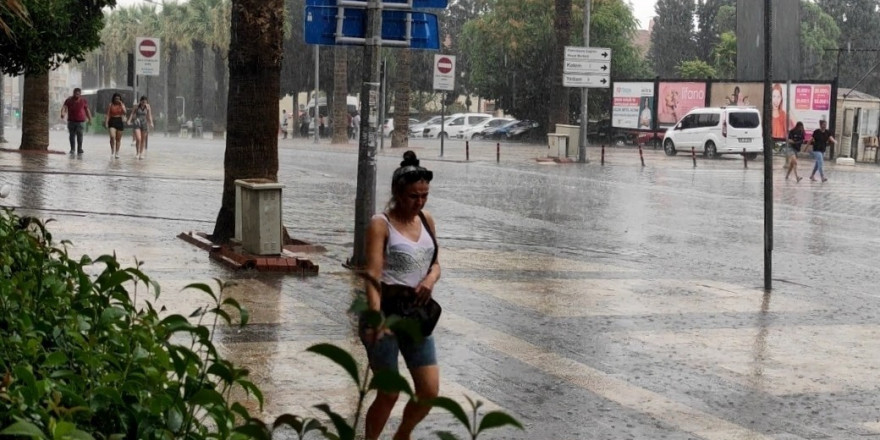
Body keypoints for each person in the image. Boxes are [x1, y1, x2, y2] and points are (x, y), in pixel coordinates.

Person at [362, 150, 441, 440]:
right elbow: (372, 274)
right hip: (386, 313)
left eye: (424, 196)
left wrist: (431, 279)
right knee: (389, 391)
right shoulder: (380, 224)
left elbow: (435, 263)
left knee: (429, 390)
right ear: (397, 193)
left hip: (417, 315)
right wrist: (375, 317)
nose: (419, 202)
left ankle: (402, 435)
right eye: (413, 196)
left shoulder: (427, 220)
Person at [60, 88, 92, 155]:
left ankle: (79, 148)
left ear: (80, 94)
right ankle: (72, 149)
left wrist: (90, 119)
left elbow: (87, 110)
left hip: (81, 121)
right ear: (73, 93)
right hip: (71, 121)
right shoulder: (69, 100)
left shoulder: (83, 101)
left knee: (80, 135)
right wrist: (62, 113)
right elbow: (64, 107)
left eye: (78, 94)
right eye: (75, 93)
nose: (76, 95)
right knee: (72, 135)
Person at [104, 93, 127, 158]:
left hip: (119, 121)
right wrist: (106, 122)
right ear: (113, 98)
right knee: (112, 136)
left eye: (118, 99)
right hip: (112, 121)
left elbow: (125, 112)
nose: (117, 100)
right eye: (116, 98)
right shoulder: (110, 105)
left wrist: (121, 104)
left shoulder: (122, 105)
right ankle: (112, 151)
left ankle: (117, 152)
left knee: (118, 139)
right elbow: (108, 114)